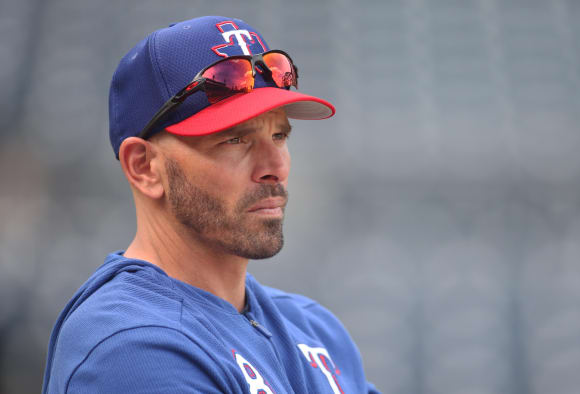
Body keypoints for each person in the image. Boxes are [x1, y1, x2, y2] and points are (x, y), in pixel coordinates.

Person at [42, 15, 379, 394]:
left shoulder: (315, 328)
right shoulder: (132, 349)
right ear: (144, 167)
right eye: (235, 140)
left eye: (279, 135)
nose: (275, 167)